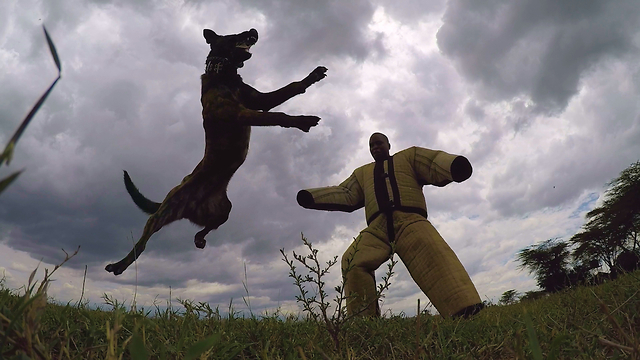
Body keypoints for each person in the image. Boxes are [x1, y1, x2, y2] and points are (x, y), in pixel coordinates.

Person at [296, 133, 483, 318]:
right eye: (371, 146)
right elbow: (346, 192)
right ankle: (363, 322)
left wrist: (454, 166)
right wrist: (312, 197)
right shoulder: (362, 173)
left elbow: (433, 162)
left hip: (410, 220)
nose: (375, 148)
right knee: (353, 261)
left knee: (435, 256)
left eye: (378, 143)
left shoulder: (409, 157)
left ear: (388, 144)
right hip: (378, 229)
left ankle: (465, 312)